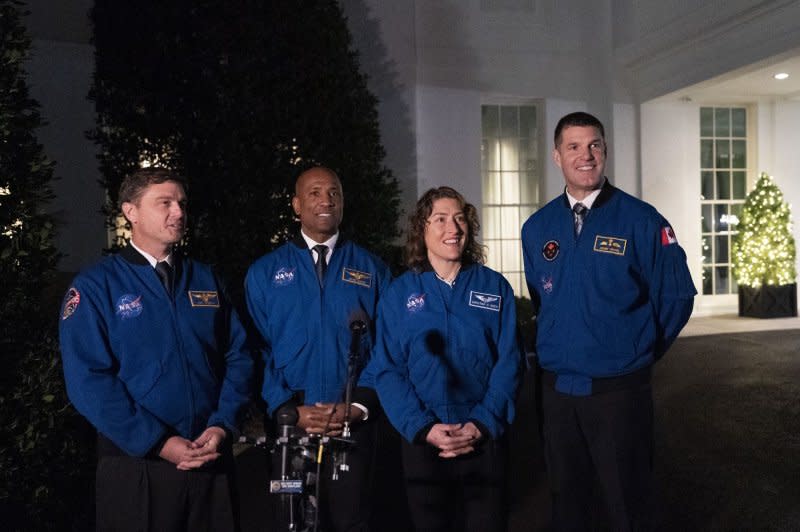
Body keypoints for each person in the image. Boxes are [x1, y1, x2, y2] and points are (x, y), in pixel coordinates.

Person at [521, 111, 696, 531]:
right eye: (574, 146)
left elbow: (675, 297)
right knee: (567, 505)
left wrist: (636, 350)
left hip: (619, 395)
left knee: (627, 505)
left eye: (595, 145)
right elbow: (541, 295)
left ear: (606, 151)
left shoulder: (641, 219)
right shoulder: (537, 227)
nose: (586, 155)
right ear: (557, 156)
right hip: (558, 396)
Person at [59, 167, 254, 531]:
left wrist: (222, 426)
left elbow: (238, 356)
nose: (178, 212)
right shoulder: (97, 286)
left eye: (181, 203)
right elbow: (89, 381)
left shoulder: (206, 278)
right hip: (137, 468)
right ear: (130, 212)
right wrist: (158, 442)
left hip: (210, 457)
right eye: (164, 203)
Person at [244, 166, 392, 531]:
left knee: (352, 521)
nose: (326, 200)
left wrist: (358, 405)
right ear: (296, 205)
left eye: (334, 193)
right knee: (292, 522)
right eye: (314, 193)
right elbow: (254, 348)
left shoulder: (372, 270)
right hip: (290, 426)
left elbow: (389, 347)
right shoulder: (264, 273)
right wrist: (287, 409)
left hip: (351, 425)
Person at [370, 186, 525, 532]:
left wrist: (481, 423)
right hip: (425, 438)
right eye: (439, 219)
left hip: (483, 436)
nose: (452, 229)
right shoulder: (399, 294)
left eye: (459, 218)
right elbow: (387, 369)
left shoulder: (494, 287)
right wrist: (423, 428)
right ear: (421, 229)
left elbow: (511, 362)